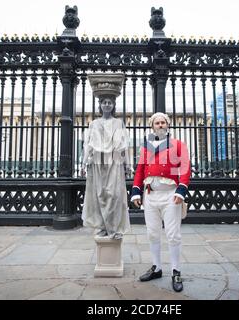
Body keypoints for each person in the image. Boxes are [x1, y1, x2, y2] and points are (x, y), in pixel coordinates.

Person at [130, 112, 191, 292]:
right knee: (152, 233)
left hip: (170, 195)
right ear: (152, 126)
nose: (161, 125)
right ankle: (156, 267)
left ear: (168, 125)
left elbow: (185, 167)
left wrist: (182, 190)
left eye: (163, 122)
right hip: (150, 195)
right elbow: (140, 170)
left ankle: (176, 271)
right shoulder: (146, 146)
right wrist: (136, 191)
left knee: (173, 235)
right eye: (157, 123)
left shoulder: (178, 144)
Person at [81, 87, 131, 240]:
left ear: (113, 105)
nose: (107, 105)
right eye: (104, 102)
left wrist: (127, 164)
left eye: (110, 102)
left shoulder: (118, 123)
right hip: (97, 163)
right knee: (99, 195)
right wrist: (84, 163)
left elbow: (124, 146)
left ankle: (114, 227)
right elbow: (87, 145)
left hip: (114, 162)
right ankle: (102, 227)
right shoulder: (94, 124)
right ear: (100, 105)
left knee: (114, 195)